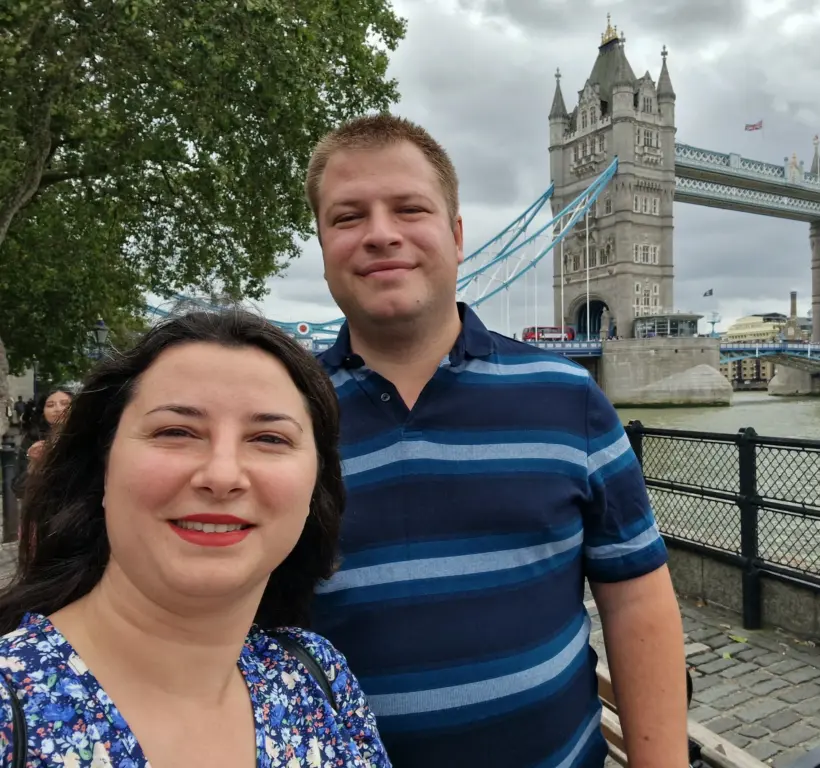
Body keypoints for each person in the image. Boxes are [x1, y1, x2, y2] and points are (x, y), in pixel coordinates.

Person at [307, 115, 689, 767]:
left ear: (457, 237)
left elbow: (638, 603)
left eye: (409, 208)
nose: (380, 234)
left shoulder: (569, 398)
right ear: (321, 246)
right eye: (347, 217)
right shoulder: (279, 421)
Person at [0, 310, 390, 768]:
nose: (222, 475)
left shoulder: (317, 678)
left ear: (314, 487)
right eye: (176, 432)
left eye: (268, 438)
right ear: (101, 468)